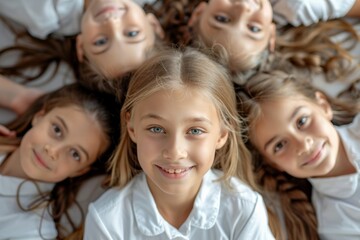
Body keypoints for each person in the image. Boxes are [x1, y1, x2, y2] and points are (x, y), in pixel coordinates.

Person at [83, 47, 275, 239]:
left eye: (195, 131)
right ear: (132, 127)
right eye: (156, 129)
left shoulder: (244, 212)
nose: (175, 152)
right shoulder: (108, 222)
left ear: (222, 135)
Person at [236, 70, 360, 240]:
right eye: (279, 145)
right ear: (273, 164)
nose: (303, 145)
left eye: (302, 121)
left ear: (323, 106)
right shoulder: (337, 225)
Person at [150, 0, 360, 97]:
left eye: (222, 19)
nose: (243, 8)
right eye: (254, 28)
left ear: (198, 15)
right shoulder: (299, 5)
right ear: (271, 35)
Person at [0, 0, 164, 119]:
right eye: (132, 34)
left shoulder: (43, 12)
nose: (112, 23)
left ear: (81, 46)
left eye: (101, 42)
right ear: (154, 25)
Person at [0, 83, 121, 239]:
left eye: (75, 154)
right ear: (39, 116)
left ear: (80, 170)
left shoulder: (33, 231)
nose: (53, 151)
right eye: (57, 130)